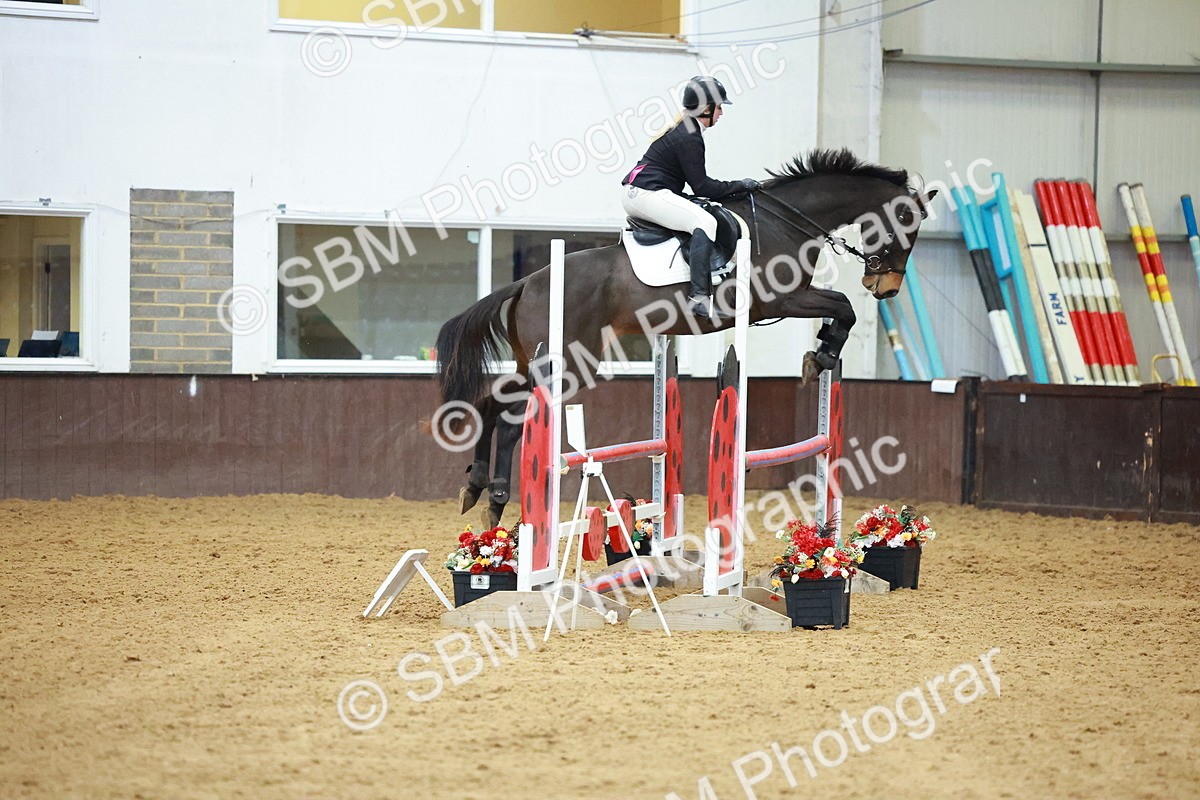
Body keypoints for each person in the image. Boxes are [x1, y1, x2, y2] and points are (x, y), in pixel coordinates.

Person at [621, 75, 761, 319]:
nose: (721, 113)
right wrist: (741, 185)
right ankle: (699, 297)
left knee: (697, 213)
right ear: (706, 109)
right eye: (719, 108)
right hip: (646, 194)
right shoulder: (690, 136)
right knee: (705, 222)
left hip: (643, 192)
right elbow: (702, 186)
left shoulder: (686, 128)